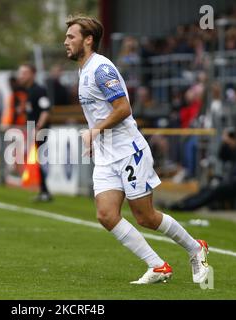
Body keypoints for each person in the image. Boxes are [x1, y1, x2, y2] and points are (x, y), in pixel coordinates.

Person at [64, 14, 210, 284]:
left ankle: (195, 247)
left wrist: (95, 131)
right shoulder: (83, 70)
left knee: (145, 216)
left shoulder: (101, 69)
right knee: (106, 215)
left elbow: (123, 108)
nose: (66, 42)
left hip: (129, 151)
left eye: (71, 37)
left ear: (88, 39)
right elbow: (99, 111)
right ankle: (157, 266)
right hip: (107, 154)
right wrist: (97, 139)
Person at [17, 63, 52, 202]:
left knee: (39, 160)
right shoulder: (29, 90)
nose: (21, 76)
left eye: (24, 73)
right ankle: (43, 190)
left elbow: (46, 110)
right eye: (21, 73)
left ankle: (45, 191)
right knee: (36, 161)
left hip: (40, 130)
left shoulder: (39, 90)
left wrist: (38, 128)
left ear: (32, 74)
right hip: (34, 129)